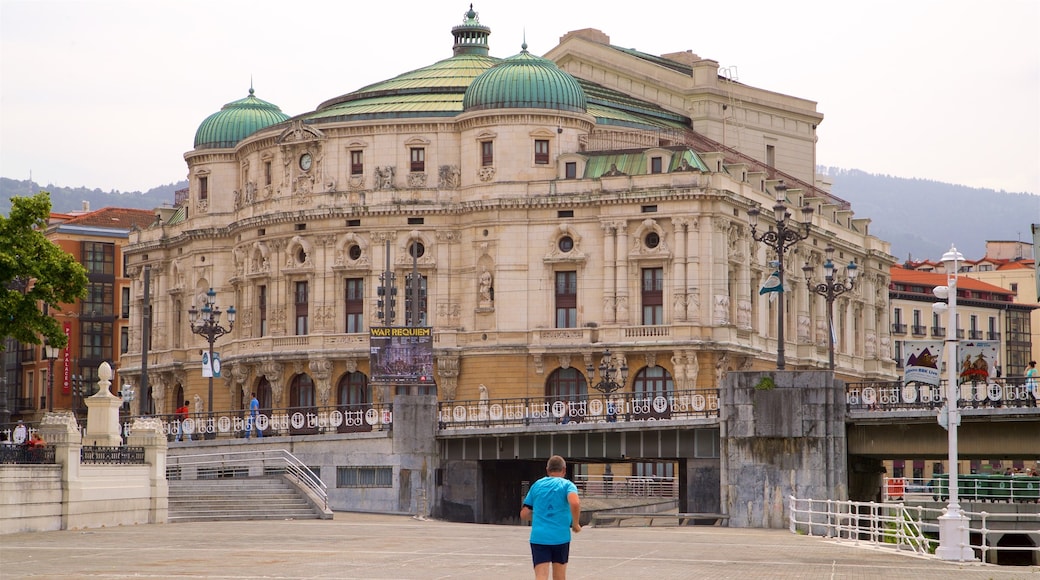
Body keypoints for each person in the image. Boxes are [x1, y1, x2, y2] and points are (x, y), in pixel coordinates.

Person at [520, 455, 581, 580]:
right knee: (559, 576)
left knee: (541, 575)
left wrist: (538, 517)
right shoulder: (567, 485)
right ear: (564, 470)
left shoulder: (537, 485)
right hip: (561, 537)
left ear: (547, 470)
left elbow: (524, 513)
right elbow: (575, 503)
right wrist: (575, 524)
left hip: (539, 537)